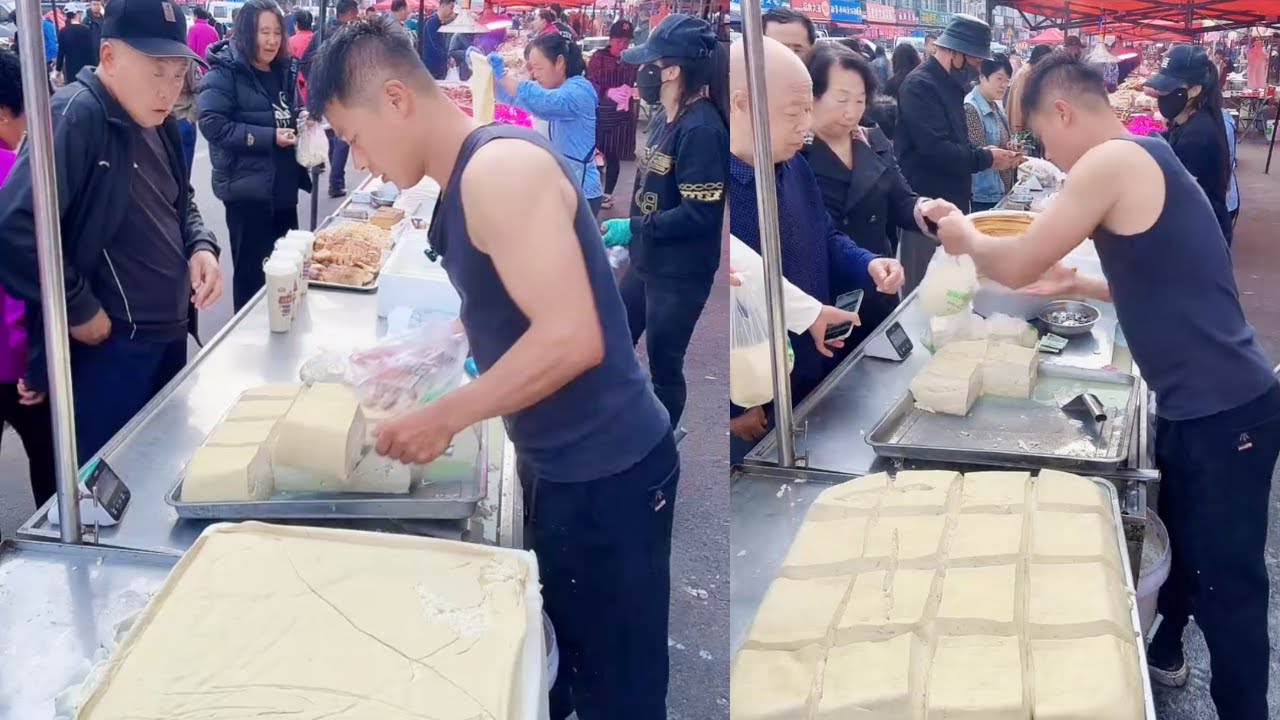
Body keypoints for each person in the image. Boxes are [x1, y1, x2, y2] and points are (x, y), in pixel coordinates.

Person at [306, 19, 678, 720]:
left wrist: (444, 414)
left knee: (616, 693)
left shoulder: (498, 171)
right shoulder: (467, 177)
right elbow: (518, 297)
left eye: (353, 138)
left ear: (395, 99)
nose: (359, 164)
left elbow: (574, 338)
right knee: (571, 672)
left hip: (608, 473)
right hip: (566, 464)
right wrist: (443, 343)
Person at [926, 51, 1279, 720]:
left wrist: (961, 232)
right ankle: (1167, 649)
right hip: (1202, 402)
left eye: (1043, 138)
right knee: (1178, 540)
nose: (1049, 155)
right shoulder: (1150, 155)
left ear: (1063, 111)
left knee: (1230, 588)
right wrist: (1084, 284)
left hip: (1226, 411)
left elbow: (1020, 256)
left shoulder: (1109, 162)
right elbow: (1170, 276)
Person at [0, 0, 223, 466]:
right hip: (114, 348)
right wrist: (79, 306)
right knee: (108, 484)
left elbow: (182, 201)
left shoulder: (157, 121)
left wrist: (200, 245)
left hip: (168, 332)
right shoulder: (76, 115)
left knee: (160, 466)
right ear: (109, 57)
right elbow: (16, 227)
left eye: (178, 73)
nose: (169, 89)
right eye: (156, 71)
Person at [727, 37, 906, 460]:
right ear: (741, 104)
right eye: (795, 113)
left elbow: (826, 239)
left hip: (813, 361)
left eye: (809, 110)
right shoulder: (718, 188)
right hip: (755, 391)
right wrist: (734, 407)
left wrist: (870, 263)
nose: (806, 126)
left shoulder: (795, 168)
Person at [597, 14, 726, 428]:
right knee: (613, 337)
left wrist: (633, 227)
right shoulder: (662, 118)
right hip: (646, 259)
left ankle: (661, 442)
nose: (641, 72)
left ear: (672, 70)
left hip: (680, 274)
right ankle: (618, 418)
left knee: (664, 363)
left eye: (649, 63)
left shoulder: (703, 130)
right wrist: (631, 235)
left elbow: (699, 214)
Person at [802, 45, 929, 344]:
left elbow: (901, 200)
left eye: (860, 100)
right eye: (841, 99)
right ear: (811, 95)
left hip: (879, 284)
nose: (852, 112)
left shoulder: (871, 139)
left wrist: (926, 208)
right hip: (823, 296)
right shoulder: (794, 152)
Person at [894, 13, 1020, 294]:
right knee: (925, 288)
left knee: (951, 287)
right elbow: (935, 150)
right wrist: (986, 159)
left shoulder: (949, 85)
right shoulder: (920, 86)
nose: (977, 70)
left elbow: (957, 142)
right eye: (974, 61)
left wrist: (984, 152)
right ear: (954, 52)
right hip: (927, 209)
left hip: (953, 202)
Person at [200, 0, 309, 311]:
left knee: (288, 272)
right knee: (252, 278)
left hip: (285, 189)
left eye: (277, 32)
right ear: (248, 33)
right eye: (265, 32)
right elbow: (213, 124)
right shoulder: (226, 71)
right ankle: (247, 344)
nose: (272, 40)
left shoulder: (284, 69)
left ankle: (284, 331)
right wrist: (268, 136)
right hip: (248, 192)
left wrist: (304, 120)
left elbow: (291, 109)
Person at [0, 49, 55, 509]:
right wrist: (32, 363)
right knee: (49, 465)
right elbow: (20, 282)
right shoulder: (14, 175)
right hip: (12, 364)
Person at [491, 30, 603, 214]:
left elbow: (543, 103)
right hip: (559, 187)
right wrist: (486, 74)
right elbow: (511, 96)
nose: (534, 75)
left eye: (538, 68)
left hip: (580, 193)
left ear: (559, 62)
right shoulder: (553, 87)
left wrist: (503, 75)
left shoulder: (580, 91)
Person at [1144, 44, 1233, 245]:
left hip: (1203, 236)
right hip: (1197, 224)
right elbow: (1168, 141)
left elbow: (1173, 192)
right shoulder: (1188, 120)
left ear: (1194, 90)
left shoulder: (1198, 134)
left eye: (1169, 89)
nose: (1162, 95)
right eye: (1161, 89)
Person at [300, 0, 359, 198]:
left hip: (323, 93)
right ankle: (336, 182)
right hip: (340, 93)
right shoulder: (345, 36)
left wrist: (316, 82)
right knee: (343, 137)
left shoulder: (323, 31)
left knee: (334, 134)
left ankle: (335, 178)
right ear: (350, 13)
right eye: (356, 13)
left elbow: (304, 62)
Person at [585, 19, 637, 211]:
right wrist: (607, 92)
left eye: (626, 42)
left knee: (614, 156)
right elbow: (590, 82)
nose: (623, 46)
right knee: (595, 152)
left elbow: (639, 81)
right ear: (611, 39)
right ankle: (592, 190)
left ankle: (607, 194)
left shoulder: (632, 59)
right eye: (619, 42)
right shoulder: (599, 57)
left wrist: (633, 91)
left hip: (622, 116)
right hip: (601, 113)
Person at [965, 53, 1015, 212]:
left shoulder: (994, 105)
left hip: (1000, 190)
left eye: (1007, 80)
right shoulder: (971, 108)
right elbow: (978, 155)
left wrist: (1012, 147)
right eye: (999, 79)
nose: (1004, 85)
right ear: (982, 77)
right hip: (985, 195)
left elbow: (998, 142)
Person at [1007, 43, 1051, 133]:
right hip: (1020, 129)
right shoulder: (1026, 74)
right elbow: (1017, 103)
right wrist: (1018, 130)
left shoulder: (1032, 72)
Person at [56, 11, 96, 85]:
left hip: (70, 69)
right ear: (77, 15)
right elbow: (92, 52)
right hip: (85, 68)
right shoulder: (87, 30)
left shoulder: (63, 31)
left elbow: (61, 52)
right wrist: (94, 67)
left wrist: (58, 69)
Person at [420, 0, 456, 79]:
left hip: (440, 70)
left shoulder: (441, 24)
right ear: (442, 6)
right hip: (431, 71)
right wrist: (447, 58)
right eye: (451, 8)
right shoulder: (431, 22)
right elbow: (434, 45)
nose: (452, 11)